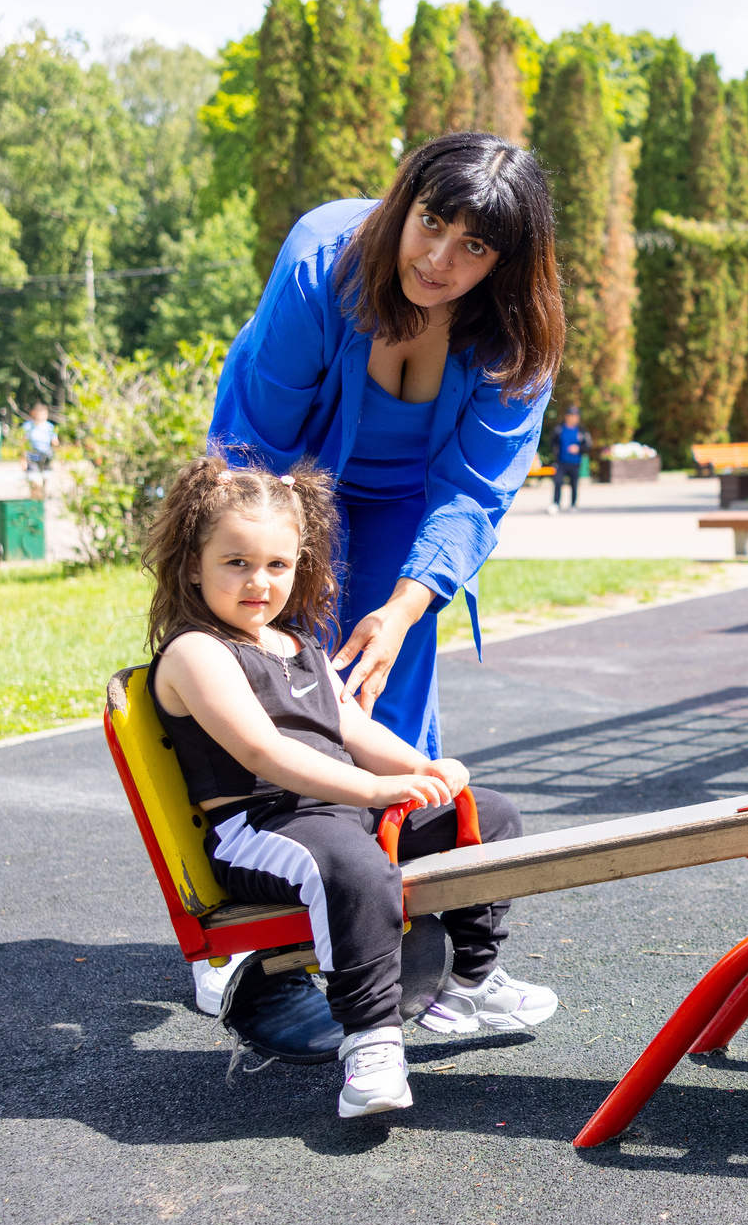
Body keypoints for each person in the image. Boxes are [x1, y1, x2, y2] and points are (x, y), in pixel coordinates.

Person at [142, 452, 557, 1119]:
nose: (259, 582)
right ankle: (371, 1043)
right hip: (264, 829)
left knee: (492, 817)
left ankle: (468, 981)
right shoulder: (198, 651)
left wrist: (420, 772)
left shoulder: (297, 644)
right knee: (355, 867)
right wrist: (372, 793)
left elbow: (357, 730)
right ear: (195, 564)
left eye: (277, 565)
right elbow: (263, 750)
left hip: (339, 817)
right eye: (237, 563)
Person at [209, 133, 564, 758]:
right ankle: (288, 827)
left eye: (472, 246)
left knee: (381, 675)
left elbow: (475, 494)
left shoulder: (518, 341)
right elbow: (260, 446)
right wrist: (254, 565)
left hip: (410, 499)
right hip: (295, 478)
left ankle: (399, 832)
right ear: (405, 203)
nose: (437, 259)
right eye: (429, 222)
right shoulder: (318, 263)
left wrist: (402, 608)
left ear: (502, 266)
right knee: (291, 665)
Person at [551, 407, 591, 512]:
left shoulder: (581, 431)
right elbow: (553, 443)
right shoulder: (559, 429)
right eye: (571, 416)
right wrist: (554, 456)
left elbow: (588, 445)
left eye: (576, 416)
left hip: (575, 462)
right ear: (566, 417)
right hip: (561, 461)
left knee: (574, 484)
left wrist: (578, 449)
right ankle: (556, 504)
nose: (573, 418)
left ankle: (573, 505)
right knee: (558, 482)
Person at [22, 402, 57, 499]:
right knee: (36, 482)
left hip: (46, 458)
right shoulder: (28, 427)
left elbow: (55, 443)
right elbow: (23, 444)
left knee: (44, 482)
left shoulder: (49, 427)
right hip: (32, 458)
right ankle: (34, 502)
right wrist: (23, 459)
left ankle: (40, 503)